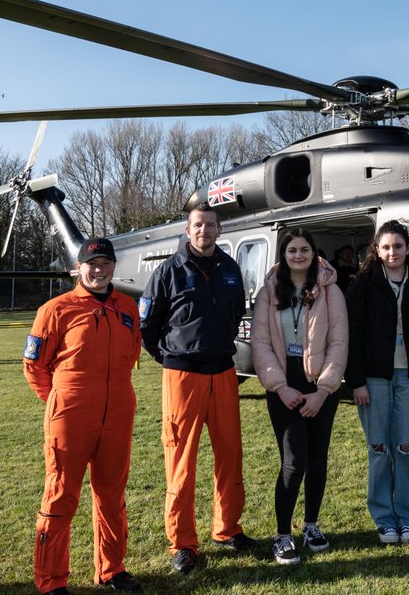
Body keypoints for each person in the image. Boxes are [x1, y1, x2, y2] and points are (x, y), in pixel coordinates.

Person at [23, 237, 143, 594]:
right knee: (61, 494)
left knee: (112, 493)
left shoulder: (127, 307)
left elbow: (132, 352)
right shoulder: (56, 309)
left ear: (113, 267)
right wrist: (59, 402)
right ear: (79, 268)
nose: (99, 269)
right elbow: (34, 365)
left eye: (105, 263)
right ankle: (51, 580)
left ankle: (112, 568)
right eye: (92, 264)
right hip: (71, 416)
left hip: (118, 412)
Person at [139, 206, 255, 576]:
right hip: (182, 376)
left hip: (222, 370)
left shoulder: (230, 269)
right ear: (188, 231)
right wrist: (173, 358)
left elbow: (236, 313)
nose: (204, 230)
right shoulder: (168, 272)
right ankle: (183, 543)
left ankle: (227, 528)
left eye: (210, 224)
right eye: (197, 225)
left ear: (219, 229)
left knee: (229, 454)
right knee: (180, 462)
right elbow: (148, 327)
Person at [250, 228, 349, 565]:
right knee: (294, 462)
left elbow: (339, 341)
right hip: (284, 385)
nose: (298, 256)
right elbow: (260, 344)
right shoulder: (269, 292)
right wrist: (280, 386)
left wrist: (323, 390)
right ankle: (281, 535)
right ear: (283, 254)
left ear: (313, 252)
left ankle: (311, 525)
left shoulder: (329, 290)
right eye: (292, 250)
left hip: (320, 384)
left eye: (304, 249)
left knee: (318, 458)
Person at [346, 220, 409, 544]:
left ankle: (407, 519)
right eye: (386, 247)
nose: (392, 253)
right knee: (379, 449)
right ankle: (384, 519)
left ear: (407, 247)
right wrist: (356, 381)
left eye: (398, 246)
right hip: (374, 380)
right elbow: (353, 336)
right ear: (377, 249)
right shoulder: (363, 285)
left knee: (408, 449)